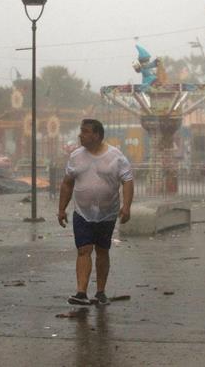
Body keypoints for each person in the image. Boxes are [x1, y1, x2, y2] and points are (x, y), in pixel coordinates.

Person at [58, 119, 134, 306]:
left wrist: (126, 207)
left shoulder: (116, 157)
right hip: (82, 213)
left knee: (102, 251)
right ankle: (81, 292)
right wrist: (61, 209)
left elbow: (128, 181)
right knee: (83, 250)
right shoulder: (76, 156)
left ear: (97, 135)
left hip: (107, 213)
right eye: (81, 131)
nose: (80, 135)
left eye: (85, 132)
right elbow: (67, 183)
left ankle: (100, 292)